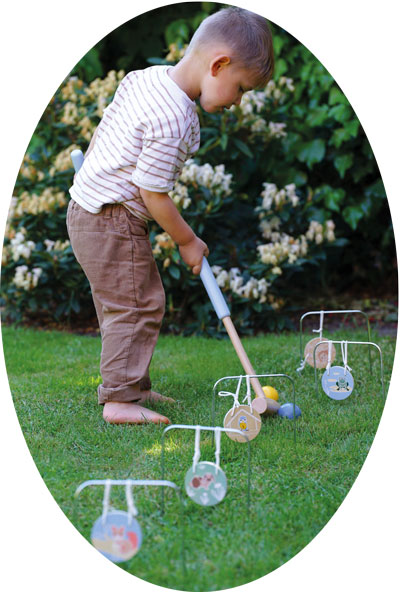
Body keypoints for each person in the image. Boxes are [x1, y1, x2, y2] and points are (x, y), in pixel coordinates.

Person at [67, 6, 274, 425]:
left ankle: (132, 386)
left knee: (128, 303)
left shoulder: (145, 78)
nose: (238, 101)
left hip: (89, 210)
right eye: (240, 89)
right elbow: (152, 192)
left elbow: (107, 131)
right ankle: (120, 400)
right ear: (218, 64)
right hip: (111, 217)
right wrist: (187, 241)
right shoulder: (174, 117)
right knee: (137, 305)